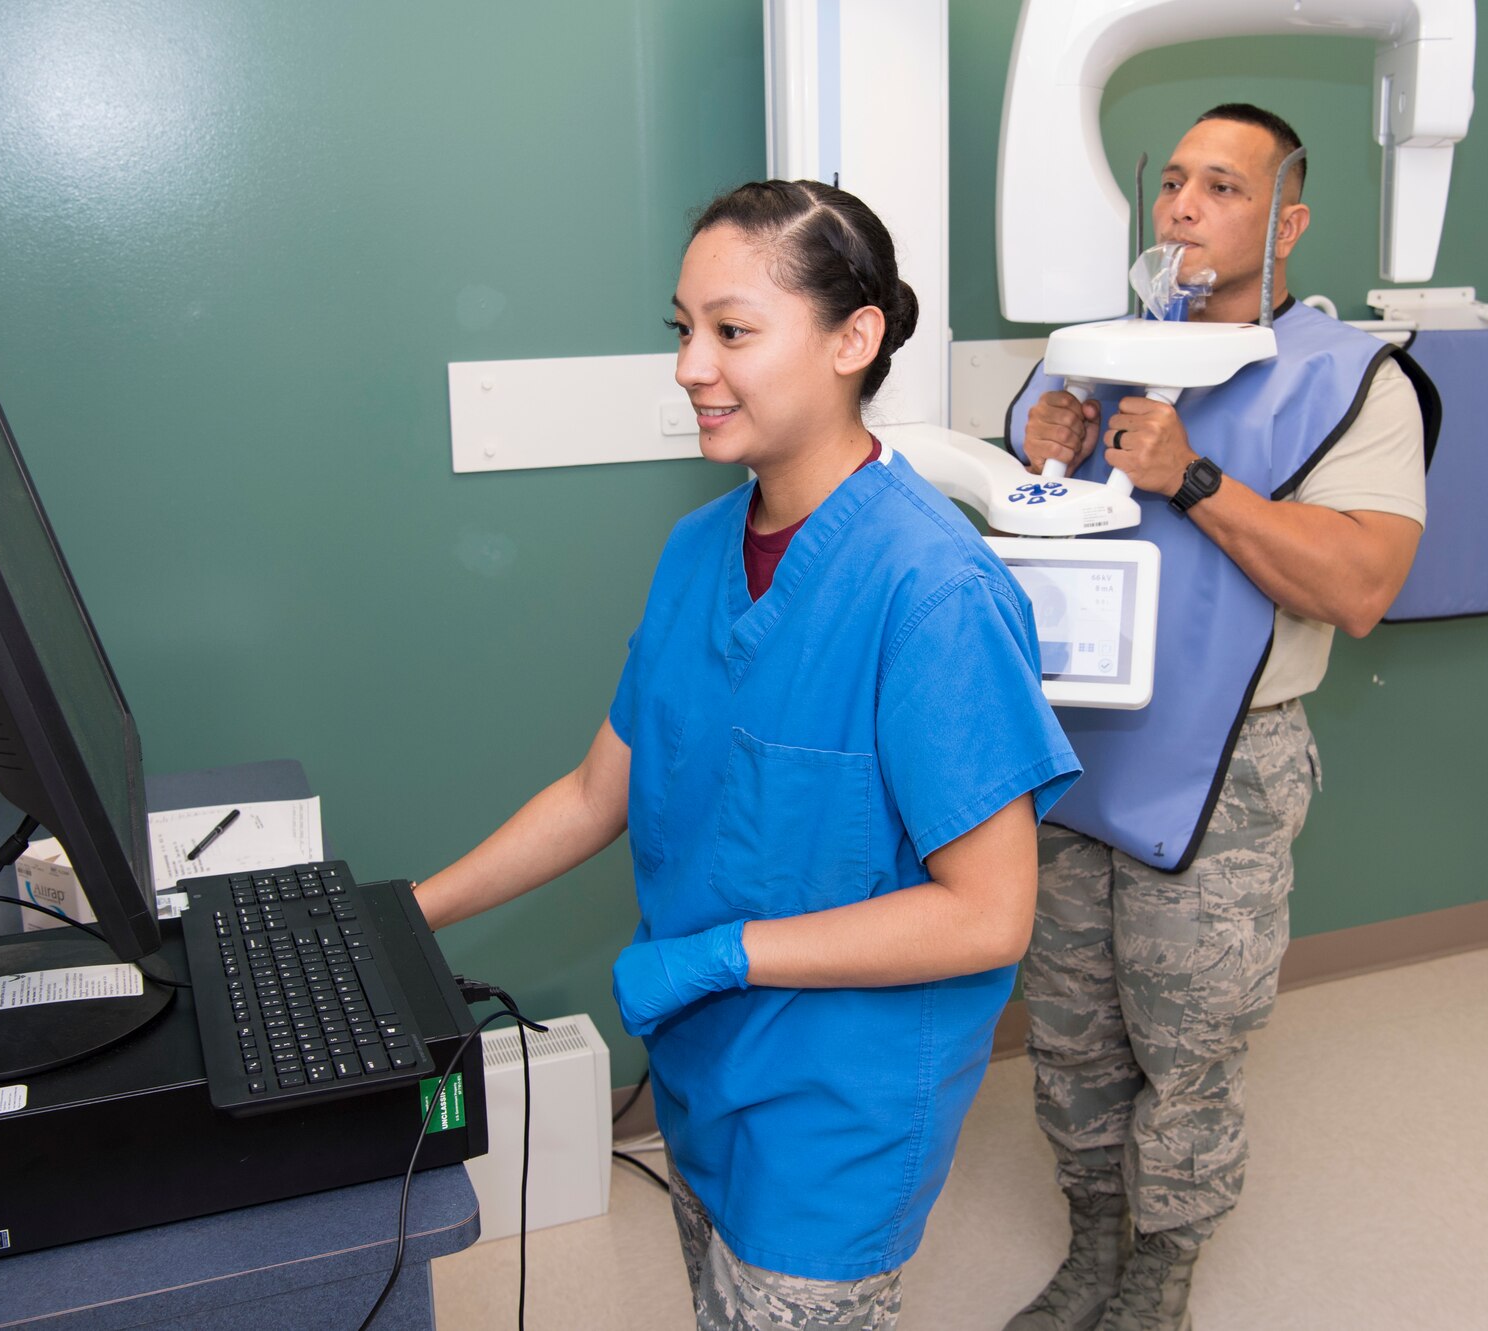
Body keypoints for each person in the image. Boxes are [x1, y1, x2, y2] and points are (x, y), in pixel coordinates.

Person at [416, 178, 1081, 1331]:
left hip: (836, 1113)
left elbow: (987, 914)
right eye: (682, 328)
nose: (688, 364)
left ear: (851, 337)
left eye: (731, 330)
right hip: (703, 1075)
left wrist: (717, 952)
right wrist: (402, 913)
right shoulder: (696, 550)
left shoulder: (932, 593)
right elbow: (593, 791)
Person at [1002, 105, 1439, 1331]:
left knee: (1187, 1051)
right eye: (1175, 184)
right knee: (1075, 1037)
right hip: (1069, 755)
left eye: (1224, 188)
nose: (1185, 207)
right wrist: (1037, 451)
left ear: (1286, 218)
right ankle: (1093, 1246)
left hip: (1226, 769)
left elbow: (1357, 587)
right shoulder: (1088, 354)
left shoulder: (1352, 380)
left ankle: (1161, 1278)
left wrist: (1190, 478)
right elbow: (1015, 539)